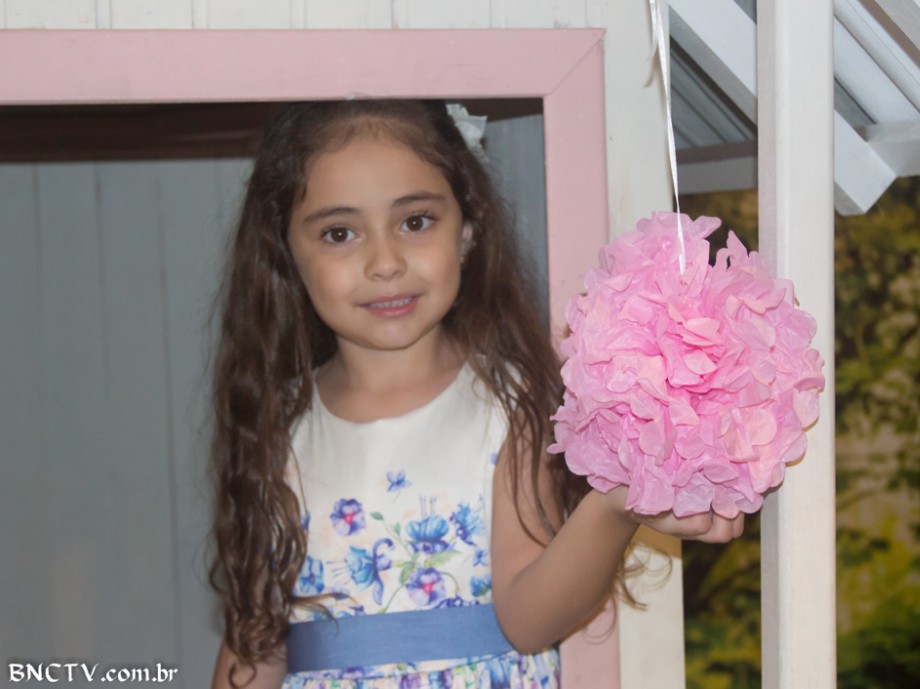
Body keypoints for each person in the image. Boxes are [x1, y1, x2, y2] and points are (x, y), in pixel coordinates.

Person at [208, 99, 743, 689]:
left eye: (416, 222)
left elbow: (528, 622)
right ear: (285, 254)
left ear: (467, 231)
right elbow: (253, 645)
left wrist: (614, 505)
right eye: (340, 233)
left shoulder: (509, 401)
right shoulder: (275, 423)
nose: (385, 262)